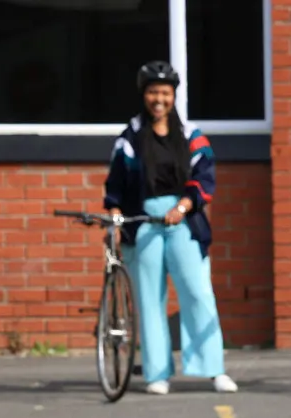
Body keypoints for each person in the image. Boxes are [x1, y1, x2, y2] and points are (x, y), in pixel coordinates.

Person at [103, 60, 237, 395]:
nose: (158, 99)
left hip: (184, 222)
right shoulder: (130, 138)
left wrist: (183, 206)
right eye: (152, 92)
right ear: (143, 95)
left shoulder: (190, 135)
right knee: (149, 299)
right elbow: (115, 187)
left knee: (198, 292)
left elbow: (205, 178)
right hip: (144, 225)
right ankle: (156, 373)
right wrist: (116, 215)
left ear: (173, 95)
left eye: (164, 92)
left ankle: (213, 368)